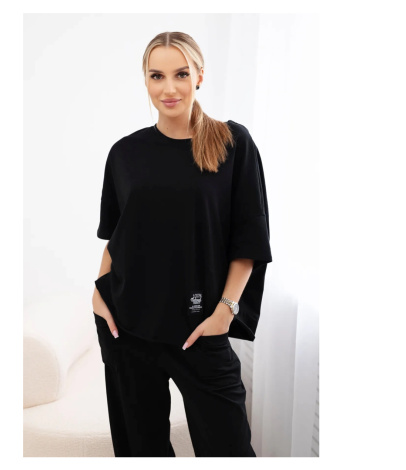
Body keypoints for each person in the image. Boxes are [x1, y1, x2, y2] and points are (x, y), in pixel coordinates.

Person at [91, 31, 272, 457]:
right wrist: (99, 293)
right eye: (157, 75)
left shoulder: (232, 143)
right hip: (127, 327)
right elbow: (118, 236)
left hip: (200, 328)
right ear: (145, 80)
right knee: (141, 452)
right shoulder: (125, 153)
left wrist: (225, 312)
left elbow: (249, 240)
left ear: (199, 76)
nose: (168, 87)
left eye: (181, 74)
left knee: (229, 450)